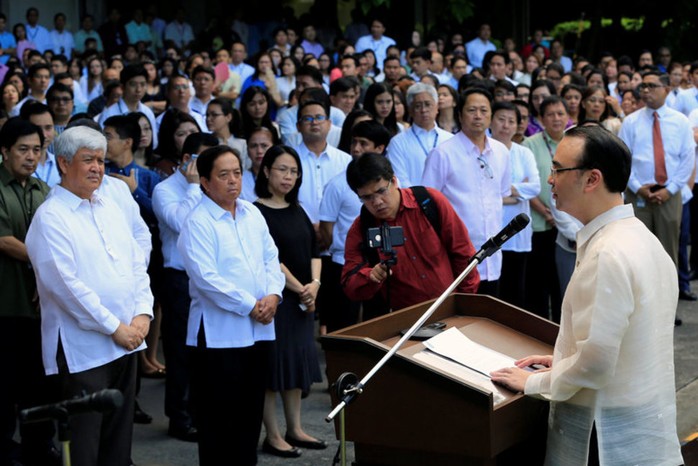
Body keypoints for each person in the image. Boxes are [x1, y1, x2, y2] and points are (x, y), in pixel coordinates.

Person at [490, 125, 684, 466]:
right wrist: (567, 359)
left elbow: (596, 365)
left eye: (557, 169)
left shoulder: (608, 252)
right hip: (641, 416)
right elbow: (621, 341)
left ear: (592, 179)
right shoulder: (639, 236)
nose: (549, 179)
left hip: (607, 429)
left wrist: (535, 381)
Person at [26, 125, 154, 466]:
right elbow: (66, 288)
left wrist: (142, 314)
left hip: (127, 338)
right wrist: (115, 326)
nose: (98, 167)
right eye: (88, 160)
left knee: (119, 440)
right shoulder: (50, 217)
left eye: (100, 159)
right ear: (65, 164)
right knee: (85, 445)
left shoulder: (108, 205)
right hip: (84, 348)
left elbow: (135, 262)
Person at [177, 145, 285, 466]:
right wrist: (251, 305)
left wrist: (273, 295)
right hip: (217, 337)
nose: (233, 181)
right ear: (205, 183)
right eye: (223, 175)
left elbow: (271, 258)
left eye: (237, 173)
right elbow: (207, 279)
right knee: (217, 423)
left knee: (249, 419)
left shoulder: (252, 212)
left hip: (259, 330)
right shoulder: (197, 221)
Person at [253, 145, 326, 458]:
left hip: (303, 301)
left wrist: (315, 285)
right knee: (273, 370)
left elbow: (314, 251)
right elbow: (271, 261)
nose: (289, 177)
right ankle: (272, 434)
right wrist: (301, 290)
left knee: (295, 365)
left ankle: (295, 428)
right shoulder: (255, 211)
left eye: (294, 171)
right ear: (267, 171)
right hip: (277, 302)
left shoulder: (299, 209)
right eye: (282, 169)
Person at [342, 154, 480, 313]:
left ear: (394, 181)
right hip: (404, 321)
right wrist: (371, 276)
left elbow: (463, 253)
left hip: (450, 309)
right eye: (367, 197)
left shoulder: (429, 201)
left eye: (381, 191)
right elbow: (349, 283)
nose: (377, 202)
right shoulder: (361, 228)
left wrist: (465, 300)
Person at [0, 118, 60, 466]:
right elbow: (5, 241)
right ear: (5, 151)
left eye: (37, 149)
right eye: (22, 149)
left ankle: (40, 444)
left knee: (39, 381)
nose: (31, 156)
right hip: (6, 302)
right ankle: (5, 447)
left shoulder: (44, 190)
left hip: (39, 306)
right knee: (4, 383)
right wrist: (44, 265)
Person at [152, 131, 217, 441]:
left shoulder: (213, 185)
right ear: (188, 160)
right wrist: (193, 187)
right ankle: (179, 417)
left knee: (205, 347)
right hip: (177, 277)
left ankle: (201, 411)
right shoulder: (166, 189)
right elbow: (182, 223)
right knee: (180, 349)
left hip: (208, 275)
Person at [422, 88, 511, 295]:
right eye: (472, 110)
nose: (478, 116)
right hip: (456, 257)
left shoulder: (501, 152)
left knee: (489, 319)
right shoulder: (442, 154)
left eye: (483, 110)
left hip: (493, 255)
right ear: (460, 115)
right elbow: (426, 205)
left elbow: (502, 192)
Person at [620, 70, 695, 302]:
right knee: (638, 252)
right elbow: (624, 158)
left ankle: (667, 305)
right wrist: (637, 187)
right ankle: (641, 305)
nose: (645, 91)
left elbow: (687, 159)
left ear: (666, 89)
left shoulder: (680, 122)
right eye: (643, 86)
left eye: (651, 86)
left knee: (667, 252)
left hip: (669, 194)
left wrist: (669, 190)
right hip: (638, 194)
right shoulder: (631, 121)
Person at [319, 120, 390, 330]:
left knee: (377, 327)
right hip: (343, 264)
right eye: (354, 143)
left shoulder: (392, 183)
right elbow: (326, 229)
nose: (356, 149)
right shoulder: (337, 184)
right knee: (343, 329)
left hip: (381, 265)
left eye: (363, 143)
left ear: (379, 149)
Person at [522, 95, 570, 322]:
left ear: (568, 116)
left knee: (563, 285)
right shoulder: (529, 145)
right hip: (540, 225)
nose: (556, 118)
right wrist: (546, 212)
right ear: (541, 118)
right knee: (538, 285)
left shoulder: (573, 142)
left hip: (568, 225)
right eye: (550, 114)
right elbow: (525, 185)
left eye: (560, 113)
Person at [489, 102, 540, 308]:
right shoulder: (484, 152)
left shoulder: (523, 153)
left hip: (518, 235)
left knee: (516, 292)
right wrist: (519, 192)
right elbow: (480, 192)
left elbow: (535, 187)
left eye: (512, 121)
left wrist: (498, 194)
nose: (506, 125)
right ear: (491, 121)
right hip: (492, 230)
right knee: (494, 294)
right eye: (501, 119)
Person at [292, 99, 351, 225]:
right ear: (298, 126)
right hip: (298, 230)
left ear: (329, 124)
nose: (314, 122)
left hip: (336, 233)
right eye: (308, 118)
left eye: (319, 117)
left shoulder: (345, 160)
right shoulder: (289, 159)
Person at [98, 64, 158, 149]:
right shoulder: (109, 114)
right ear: (122, 87)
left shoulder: (147, 112)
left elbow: (153, 144)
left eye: (143, 84)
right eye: (133, 84)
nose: (139, 90)